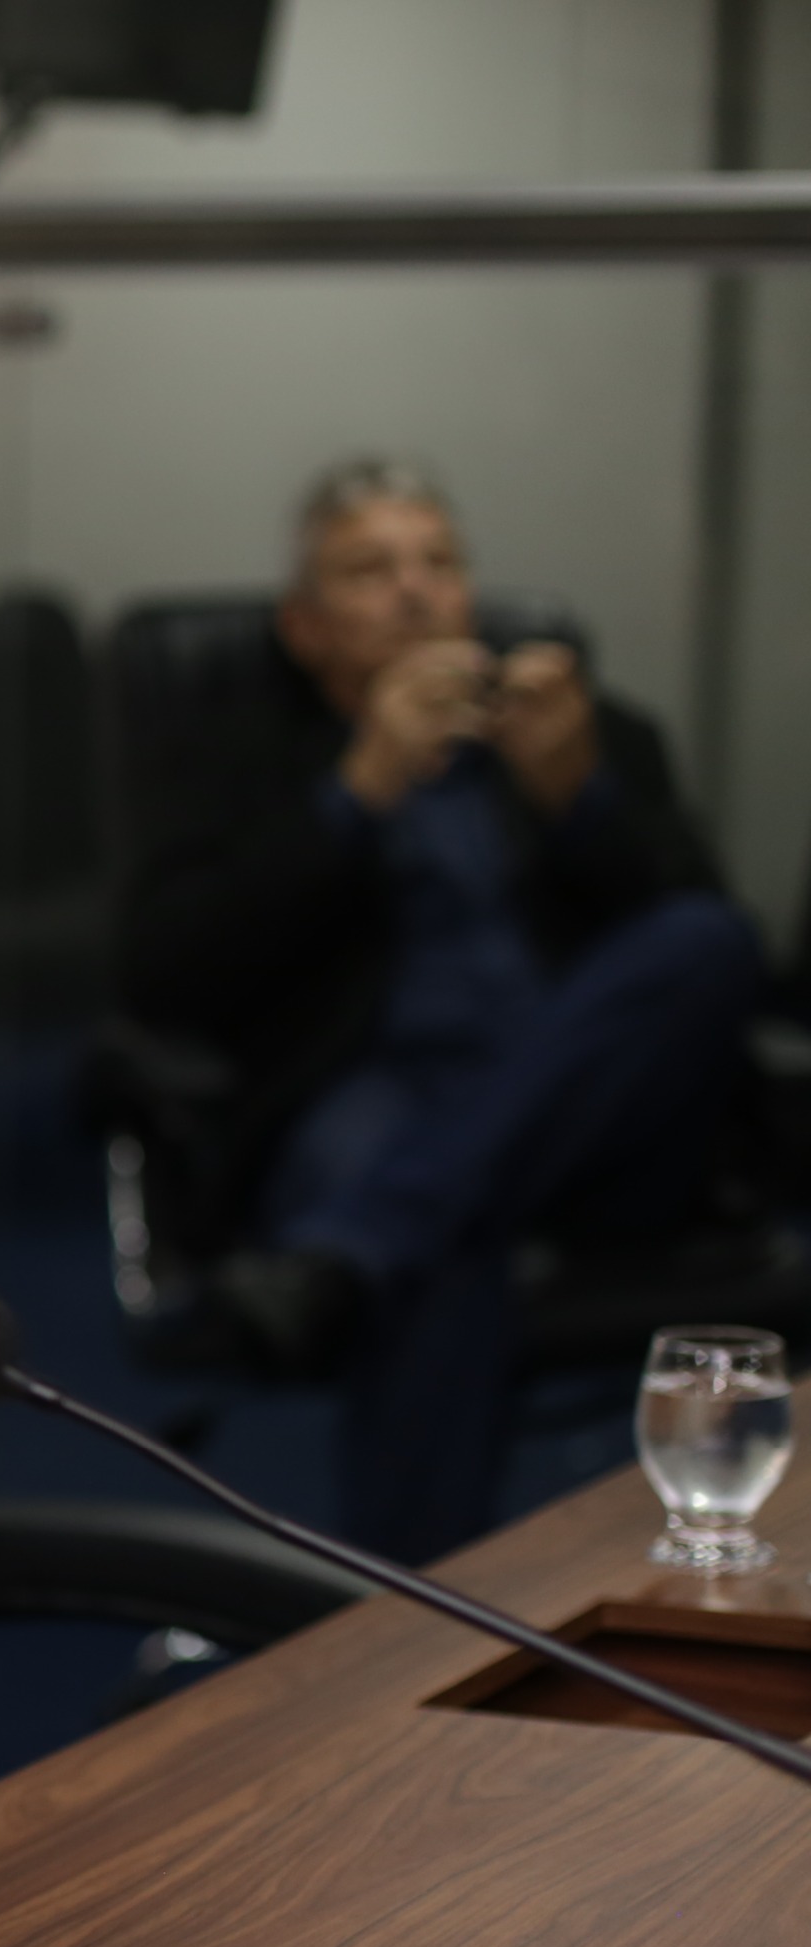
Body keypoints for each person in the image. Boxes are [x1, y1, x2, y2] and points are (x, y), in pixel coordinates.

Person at [118, 456, 762, 1561]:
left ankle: (349, 1255)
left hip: (583, 1107)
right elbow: (165, 970)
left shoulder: (588, 730)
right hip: (369, 1092)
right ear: (304, 627)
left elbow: (711, 962)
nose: (414, 591)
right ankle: (421, 1597)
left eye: (438, 563)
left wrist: (579, 800)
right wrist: (355, 792)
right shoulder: (241, 761)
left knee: (701, 939)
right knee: (444, 1230)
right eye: (369, 570)